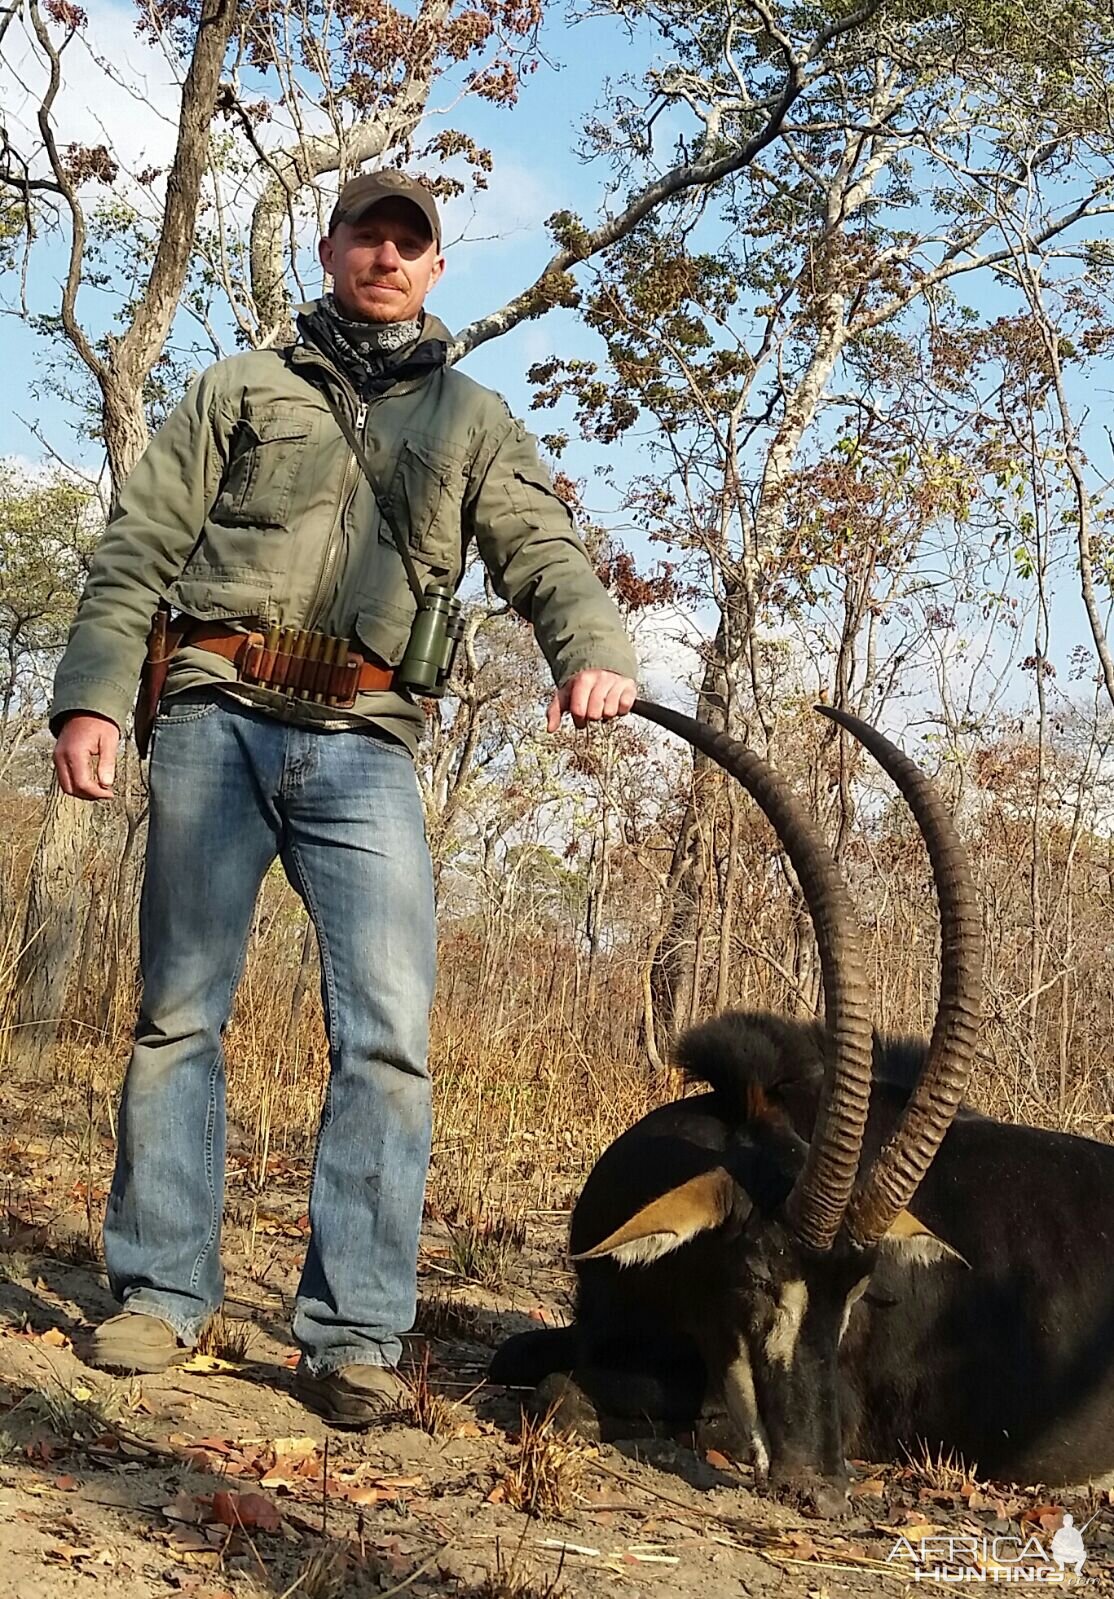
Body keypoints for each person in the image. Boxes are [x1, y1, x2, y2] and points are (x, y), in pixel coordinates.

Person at [50, 170, 638, 1426]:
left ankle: (356, 1336)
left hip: (367, 745)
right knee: (178, 1017)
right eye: (366, 234)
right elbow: (138, 547)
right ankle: (159, 1298)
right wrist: (95, 697)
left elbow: (543, 550)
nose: (385, 256)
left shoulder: (474, 419)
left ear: (435, 271)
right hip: (214, 717)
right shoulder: (238, 389)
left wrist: (591, 648)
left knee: (388, 1038)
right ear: (328, 251)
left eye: (408, 243)